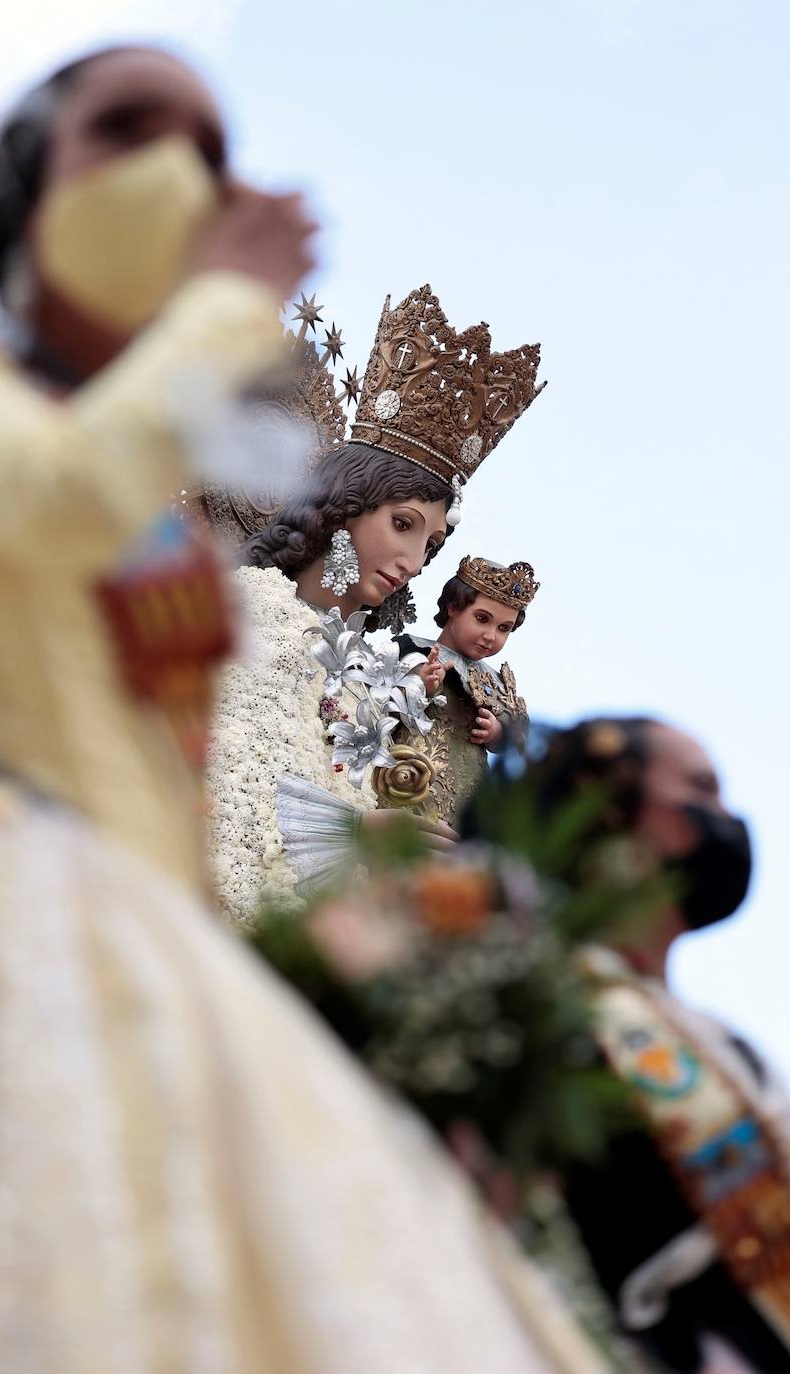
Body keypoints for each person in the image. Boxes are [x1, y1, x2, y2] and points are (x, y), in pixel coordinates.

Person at [0, 45, 591, 1374]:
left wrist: (396, 925)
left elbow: (207, 799)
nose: (168, 174)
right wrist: (223, 307)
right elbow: (54, 493)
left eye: (204, 149)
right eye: (124, 130)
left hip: (146, 953)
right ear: (24, 184)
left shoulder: (180, 560)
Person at [206, 284, 546, 924]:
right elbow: (227, 786)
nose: (415, 562)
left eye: (432, 542)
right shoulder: (249, 611)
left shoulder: (368, 672)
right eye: (404, 525)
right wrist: (357, 836)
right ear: (345, 505)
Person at [469, 717, 790, 1374]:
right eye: (701, 788)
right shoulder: (530, 1001)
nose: (726, 817)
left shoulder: (728, 1046)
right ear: (612, 816)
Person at [391, 555, 539, 827]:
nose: (491, 636)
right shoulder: (412, 650)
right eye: (482, 619)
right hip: (406, 781)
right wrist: (419, 687)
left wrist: (497, 733)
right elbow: (374, 704)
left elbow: (520, 737)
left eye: (503, 628)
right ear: (453, 607)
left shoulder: (496, 682)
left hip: (468, 795)